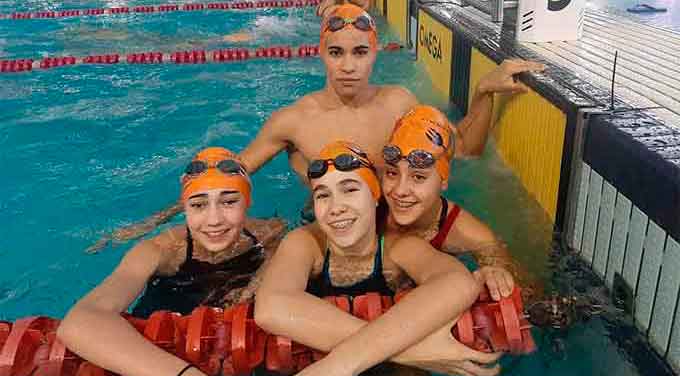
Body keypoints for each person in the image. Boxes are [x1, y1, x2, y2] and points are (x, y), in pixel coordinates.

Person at [88, 4, 543, 249]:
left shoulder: (398, 102)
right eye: (337, 52)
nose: (348, 66)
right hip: (330, 230)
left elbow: (462, 150)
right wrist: (151, 223)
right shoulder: (294, 120)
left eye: (359, 53)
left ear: (375, 54)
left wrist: (484, 93)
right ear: (320, 54)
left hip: (398, 225)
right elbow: (226, 175)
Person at [255, 141, 495, 376]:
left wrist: (338, 366)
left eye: (349, 190)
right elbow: (271, 307)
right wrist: (412, 352)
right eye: (323, 195)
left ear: (375, 197)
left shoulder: (398, 248)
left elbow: (457, 282)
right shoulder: (305, 242)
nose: (336, 207)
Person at [57, 147, 286, 376]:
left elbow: (271, 275)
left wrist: (247, 294)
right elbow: (80, 321)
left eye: (229, 202)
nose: (214, 220)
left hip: (230, 341)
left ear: (247, 202)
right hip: (161, 347)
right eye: (198, 205)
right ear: (184, 208)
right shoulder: (160, 251)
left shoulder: (270, 234)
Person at [380, 105, 535, 301]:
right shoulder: (365, 207)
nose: (400, 191)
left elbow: (527, 295)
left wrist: (497, 276)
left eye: (418, 177)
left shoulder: (472, 235)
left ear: (444, 181)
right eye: (392, 173)